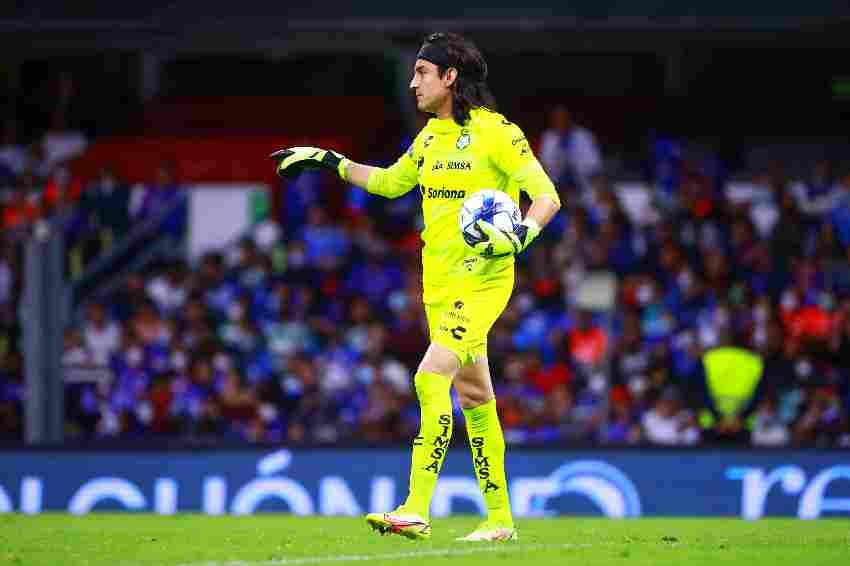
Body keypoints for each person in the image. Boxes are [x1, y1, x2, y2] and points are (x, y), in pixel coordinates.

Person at [270, 32, 560, 542]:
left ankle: (415, 507)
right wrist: (325, 158)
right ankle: (499, 521)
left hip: (484, 281)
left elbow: (546, 196)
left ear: (450, 77)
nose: (413, 83)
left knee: (430, 379)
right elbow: (387, 182)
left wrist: (521, 235)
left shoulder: (497, 133)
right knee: (474, 396)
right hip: (439, 287)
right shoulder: (428, 137)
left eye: (423, 73)